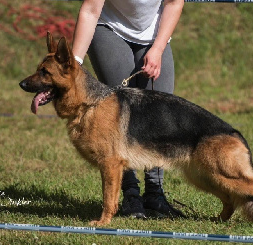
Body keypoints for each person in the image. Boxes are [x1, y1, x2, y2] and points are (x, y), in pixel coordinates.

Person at [72, 0, 184, 219]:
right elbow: (90, 10)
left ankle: (155, 194)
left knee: (160, 115)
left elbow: (174, 3)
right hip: (110, 27)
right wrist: (75, 62)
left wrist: (158, 49)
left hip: (153, 32)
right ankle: (130, 195)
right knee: (120, 113)